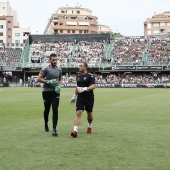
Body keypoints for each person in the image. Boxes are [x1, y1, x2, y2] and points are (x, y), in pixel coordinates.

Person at [37, 53, 62, 137]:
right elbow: (38, 79)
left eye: (56, 60)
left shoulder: (59, 70)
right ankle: (46, 123)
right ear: (49, 60)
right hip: (46, 91)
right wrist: (48, 81)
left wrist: (59, 85)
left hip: (55, 92)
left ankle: (54, 129)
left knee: (55, 109)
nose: (55, 61)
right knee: (47, 109)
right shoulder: (45, 69)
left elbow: (60, 79)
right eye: (53, 60)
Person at [70, 62, 96, 138]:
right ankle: (75, 131)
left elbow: (93, 86)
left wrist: (85, 88)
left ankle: (89, 126)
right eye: (79, 66)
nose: (79, 67)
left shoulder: (90, 76)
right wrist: (74, 97)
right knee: (78, 113)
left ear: (85, 67)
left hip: (89, 97)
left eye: (81, 66)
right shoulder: (78, 77)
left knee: (89, 114)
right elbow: (77, 87)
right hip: (80, 98)